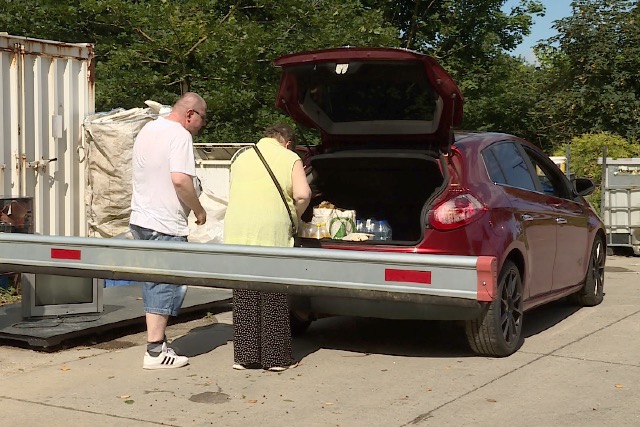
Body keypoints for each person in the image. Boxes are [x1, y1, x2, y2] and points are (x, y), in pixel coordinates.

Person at [129, 92, 208, 370]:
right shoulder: (180, 135)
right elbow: (180, 180)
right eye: (202, 118)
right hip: (165, 223)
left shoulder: (149, 128)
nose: (202, 125)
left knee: (153, 281)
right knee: (166, 284)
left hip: (140, 218)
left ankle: (157, 344)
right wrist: (198, 210)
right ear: (190, 114)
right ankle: (154, 352)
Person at [224, 123, 311, 372]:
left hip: (237, 230)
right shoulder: (290, 157)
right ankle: (275, 359)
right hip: (270, 231)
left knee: (245, 291)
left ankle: (246, 356)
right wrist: (296, 216)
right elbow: (303, 194)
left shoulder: (240, 156)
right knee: (272, 291)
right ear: (287, 143)